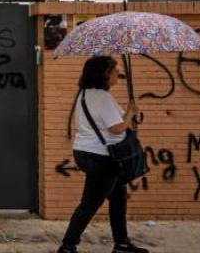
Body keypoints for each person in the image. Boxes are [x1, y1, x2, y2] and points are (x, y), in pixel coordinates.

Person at [57, 56, 149, 253]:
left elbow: (111, 123)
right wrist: (131, 114)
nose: (118, 74)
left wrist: (129, 114)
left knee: (118, 197)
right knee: (90, 202)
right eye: (115, 71)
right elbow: (116, 128)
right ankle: (67, 246)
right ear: (105, 74)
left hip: (88, 152)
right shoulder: (102, 97)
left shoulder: (84, 94)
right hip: (102, 157)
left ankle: (122, 243)